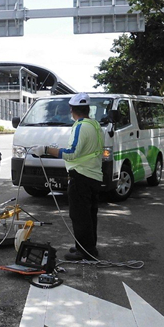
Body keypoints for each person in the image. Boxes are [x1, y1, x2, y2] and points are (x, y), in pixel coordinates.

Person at [31, 93, 104, 261]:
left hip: (81, 176)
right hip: (93, 175)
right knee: (90, 214)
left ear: (72, 110)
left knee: (80, 215)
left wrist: (47, 150)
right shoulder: (95, 125)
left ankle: (84, 251)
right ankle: (88, 247)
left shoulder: (80, 126)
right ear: (87, 109)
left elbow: (71, 154)